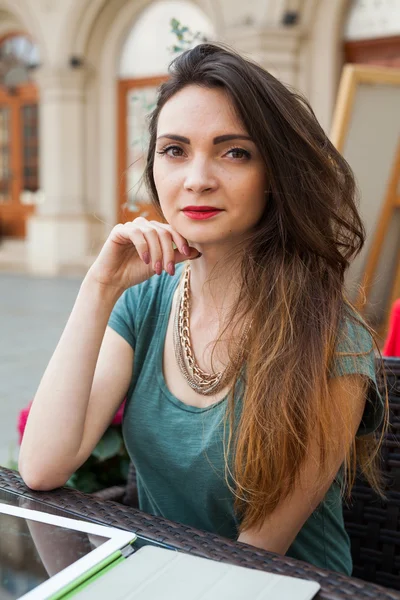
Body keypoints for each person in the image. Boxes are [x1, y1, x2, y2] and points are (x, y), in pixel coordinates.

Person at [19, 43, 388, 575]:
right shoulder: (145, 301)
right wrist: (99, 288)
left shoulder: (331, 339)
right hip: (156, 577)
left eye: (234, 152)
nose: (197, 178)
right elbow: (42, 466)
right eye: (174, 150)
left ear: (275, 174)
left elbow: (254, 555)